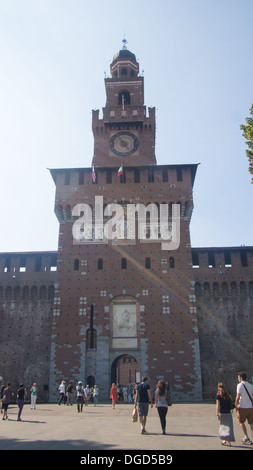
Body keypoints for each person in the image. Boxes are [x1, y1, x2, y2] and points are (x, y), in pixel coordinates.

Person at [235, 372, 253, 444]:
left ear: (241, 378)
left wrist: (236, 404)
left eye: (238, 377)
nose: (238, 379)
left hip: (242, 407)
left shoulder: (240, 385)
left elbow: (238, 396)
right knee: (251, 424)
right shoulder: (251, 386)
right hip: (251, 407)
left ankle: (246, 437)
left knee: (241, 422)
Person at [216, 382, 235, 446]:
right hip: (228, 413)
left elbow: (218, 405)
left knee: (223, 427)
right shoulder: (228, 395)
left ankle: (224, 440)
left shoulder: (218, 396)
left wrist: (217, 414)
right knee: (229, 427)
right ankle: (229, 441)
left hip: (222, 413)